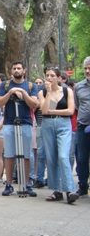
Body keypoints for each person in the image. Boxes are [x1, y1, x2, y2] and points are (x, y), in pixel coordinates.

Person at [0, 61, 38, 197]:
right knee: (9, 155)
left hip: (25, 122)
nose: (16, 70)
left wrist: (23, 92)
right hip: (9, 122)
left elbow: (34, 104)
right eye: (14, 68)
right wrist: (11, 92)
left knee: (26, 154)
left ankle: (27, 184)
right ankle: (8, 184)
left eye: (19, 68)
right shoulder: (5, 85)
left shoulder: (31, 86)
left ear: (24, 70)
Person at [39, 66, 79, 203]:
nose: (49, 78)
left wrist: (53, 111)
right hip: (48, 125)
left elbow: (70, 111)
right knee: (51, 157)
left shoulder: (67, 91)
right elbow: (44, 111)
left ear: (58, 77)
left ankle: (70, 190)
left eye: (52, 75)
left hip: (63, 125)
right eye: (47, 75)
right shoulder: (43, 92)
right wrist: (49, 93)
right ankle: (56, 190)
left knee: (63, 156)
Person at [74, 57, 90, 196]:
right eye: (85, 68)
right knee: (81, 158)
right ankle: (83, 186)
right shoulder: (79, 86)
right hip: (83, 127)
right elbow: (77, 106)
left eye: (89, 68)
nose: (87, 71)